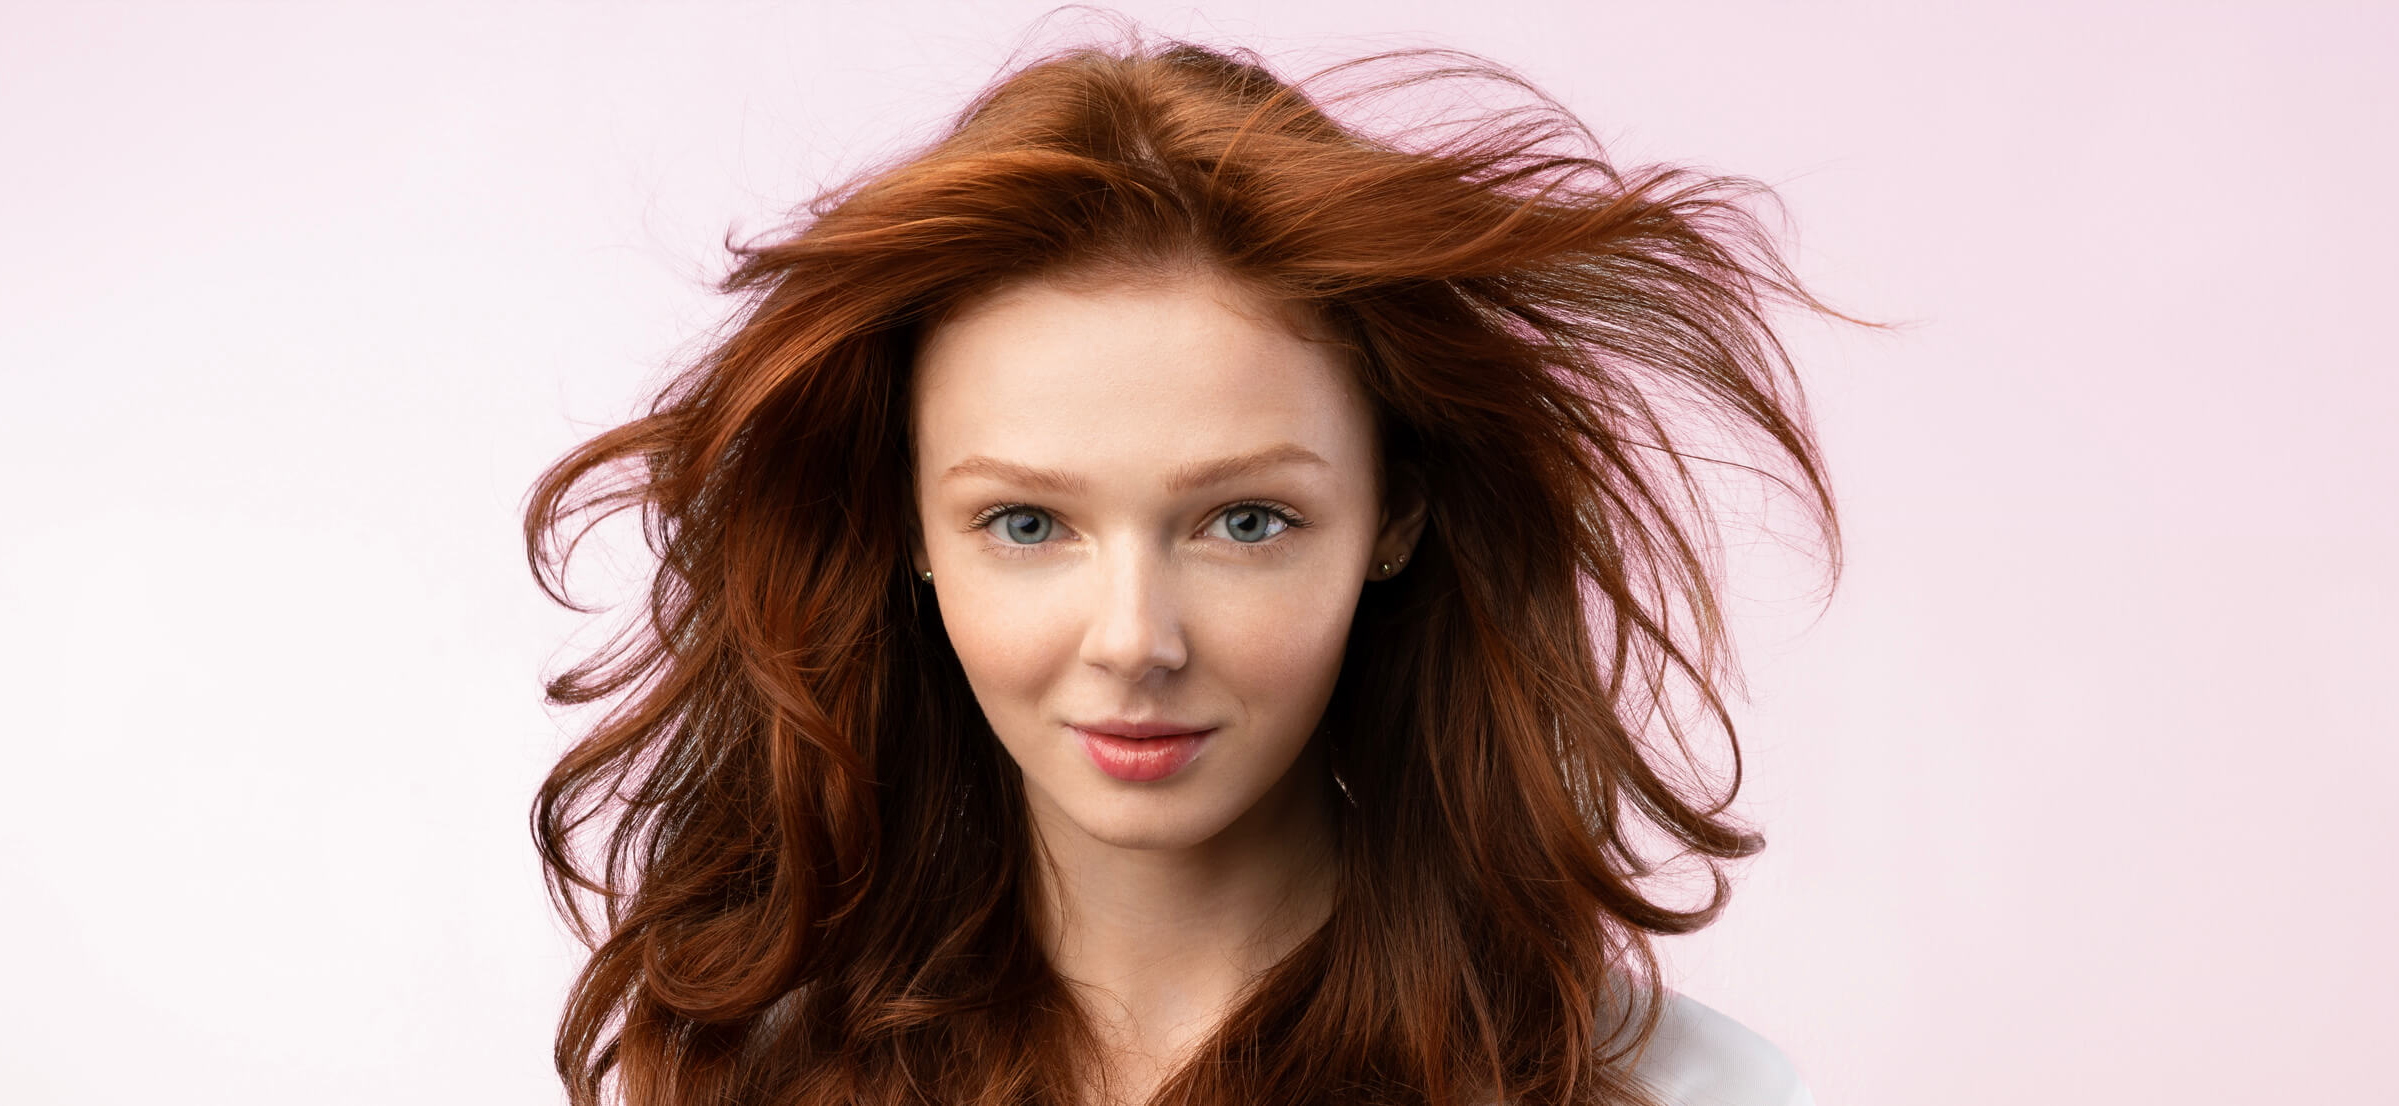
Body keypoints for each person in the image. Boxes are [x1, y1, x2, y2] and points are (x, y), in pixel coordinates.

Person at [522, 28, 1873, 1106]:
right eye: (1028, 523)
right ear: (904, 530)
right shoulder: (739, 1078)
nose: (1133, 639)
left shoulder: (1680, 1095)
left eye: (1243, 521)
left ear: (1393, 515)